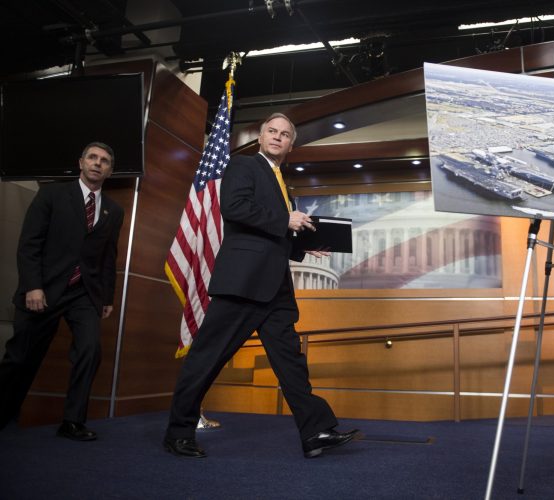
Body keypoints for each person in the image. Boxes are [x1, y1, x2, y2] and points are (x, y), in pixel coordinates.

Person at [163, 113, 358, 459]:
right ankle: (178, 432)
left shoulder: (283, 183)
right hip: (242, 282)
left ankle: (316, 432)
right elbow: (235, 208)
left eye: (285, 134)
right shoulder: (243, 166)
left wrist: (302, 245)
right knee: (208, 358)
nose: (277, 137)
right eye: (272, 131)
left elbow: (276, 235)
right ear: (261, 135)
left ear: (291, 144)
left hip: (276, 288)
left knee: (290, 362)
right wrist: (286, 219)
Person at [0, 142, 124, 440]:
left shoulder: (113, 210)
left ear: (110, 170)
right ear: (80, 162)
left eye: (104, 161)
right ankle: (3, 414)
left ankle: (72, 422)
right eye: (92, 158)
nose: (97, 163)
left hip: (84, 294)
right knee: (20, 357)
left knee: (90, 350)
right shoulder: (52, 195)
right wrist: (33, 286)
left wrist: (106, 297)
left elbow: (109, 257)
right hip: (44, 289)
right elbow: (29, 245)